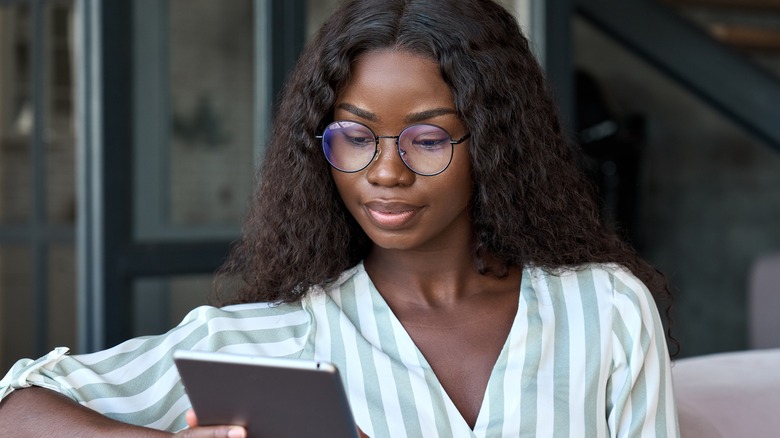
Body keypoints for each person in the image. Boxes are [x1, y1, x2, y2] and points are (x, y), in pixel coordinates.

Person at [0, 0, 679, 436]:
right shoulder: (282, 340)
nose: (385, 171)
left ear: (493, 145)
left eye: (429, 139)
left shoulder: (607, 309)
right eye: (354, 137)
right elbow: (19, 406)